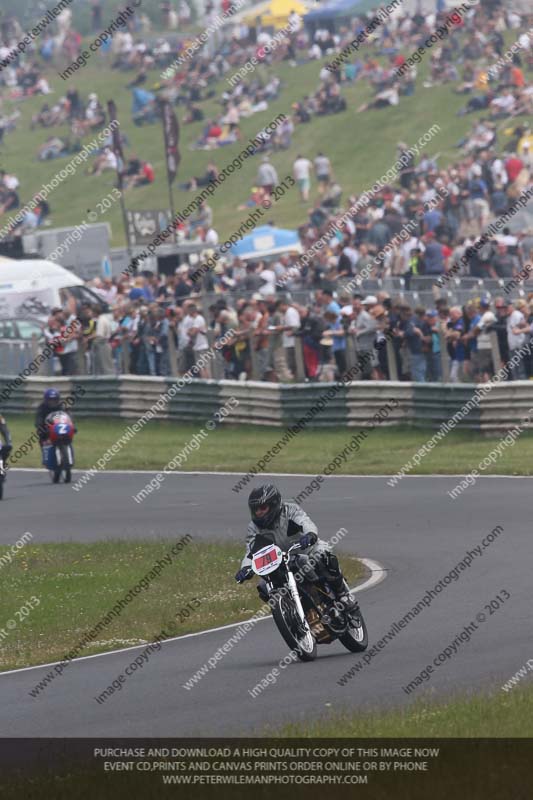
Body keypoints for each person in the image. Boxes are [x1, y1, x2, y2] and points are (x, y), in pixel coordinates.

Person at [235, 484, 357, 611]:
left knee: (323, 557)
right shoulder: (253, 528)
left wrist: (310, 534)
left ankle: (343, 594)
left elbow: (305, 522)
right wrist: (245, 568)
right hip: (281, 562)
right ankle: (291, 614)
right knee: (263, 586)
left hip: (308, 549)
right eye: (255, 510)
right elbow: (251, 552)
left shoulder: (290, 510)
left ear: (274, 504)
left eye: (262, 508)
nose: (258, 513)